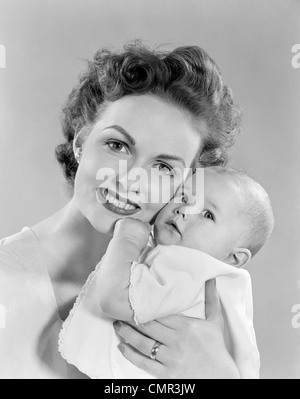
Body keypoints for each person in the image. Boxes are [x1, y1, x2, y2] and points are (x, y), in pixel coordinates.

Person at [0, 42, 242, 379]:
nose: (132, 179)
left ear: (186, 187)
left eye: (163, 167)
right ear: (81, 142)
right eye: (118, 145)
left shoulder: (191, 300)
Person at [59, 167, 274, 379]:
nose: (184, 209)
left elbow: (117, 299)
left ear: (234, 257)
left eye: (208, 214)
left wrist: (127, 239)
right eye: (183, 196)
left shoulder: (191, 266)